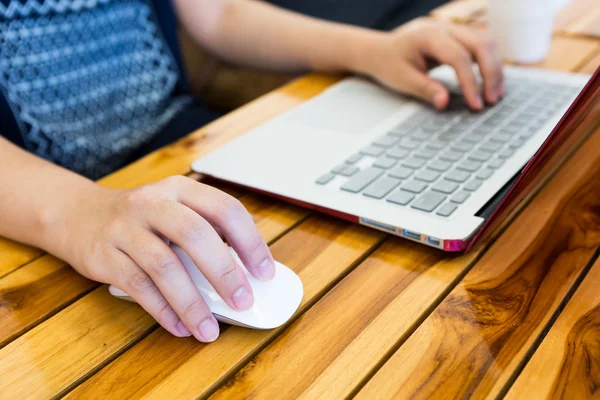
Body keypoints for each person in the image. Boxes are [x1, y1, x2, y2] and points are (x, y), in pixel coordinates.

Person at [0, 0, 503, 343]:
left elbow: (221, 13)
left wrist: (370, 49)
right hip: (36, 203)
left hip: (182, 148)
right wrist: (77, 212)